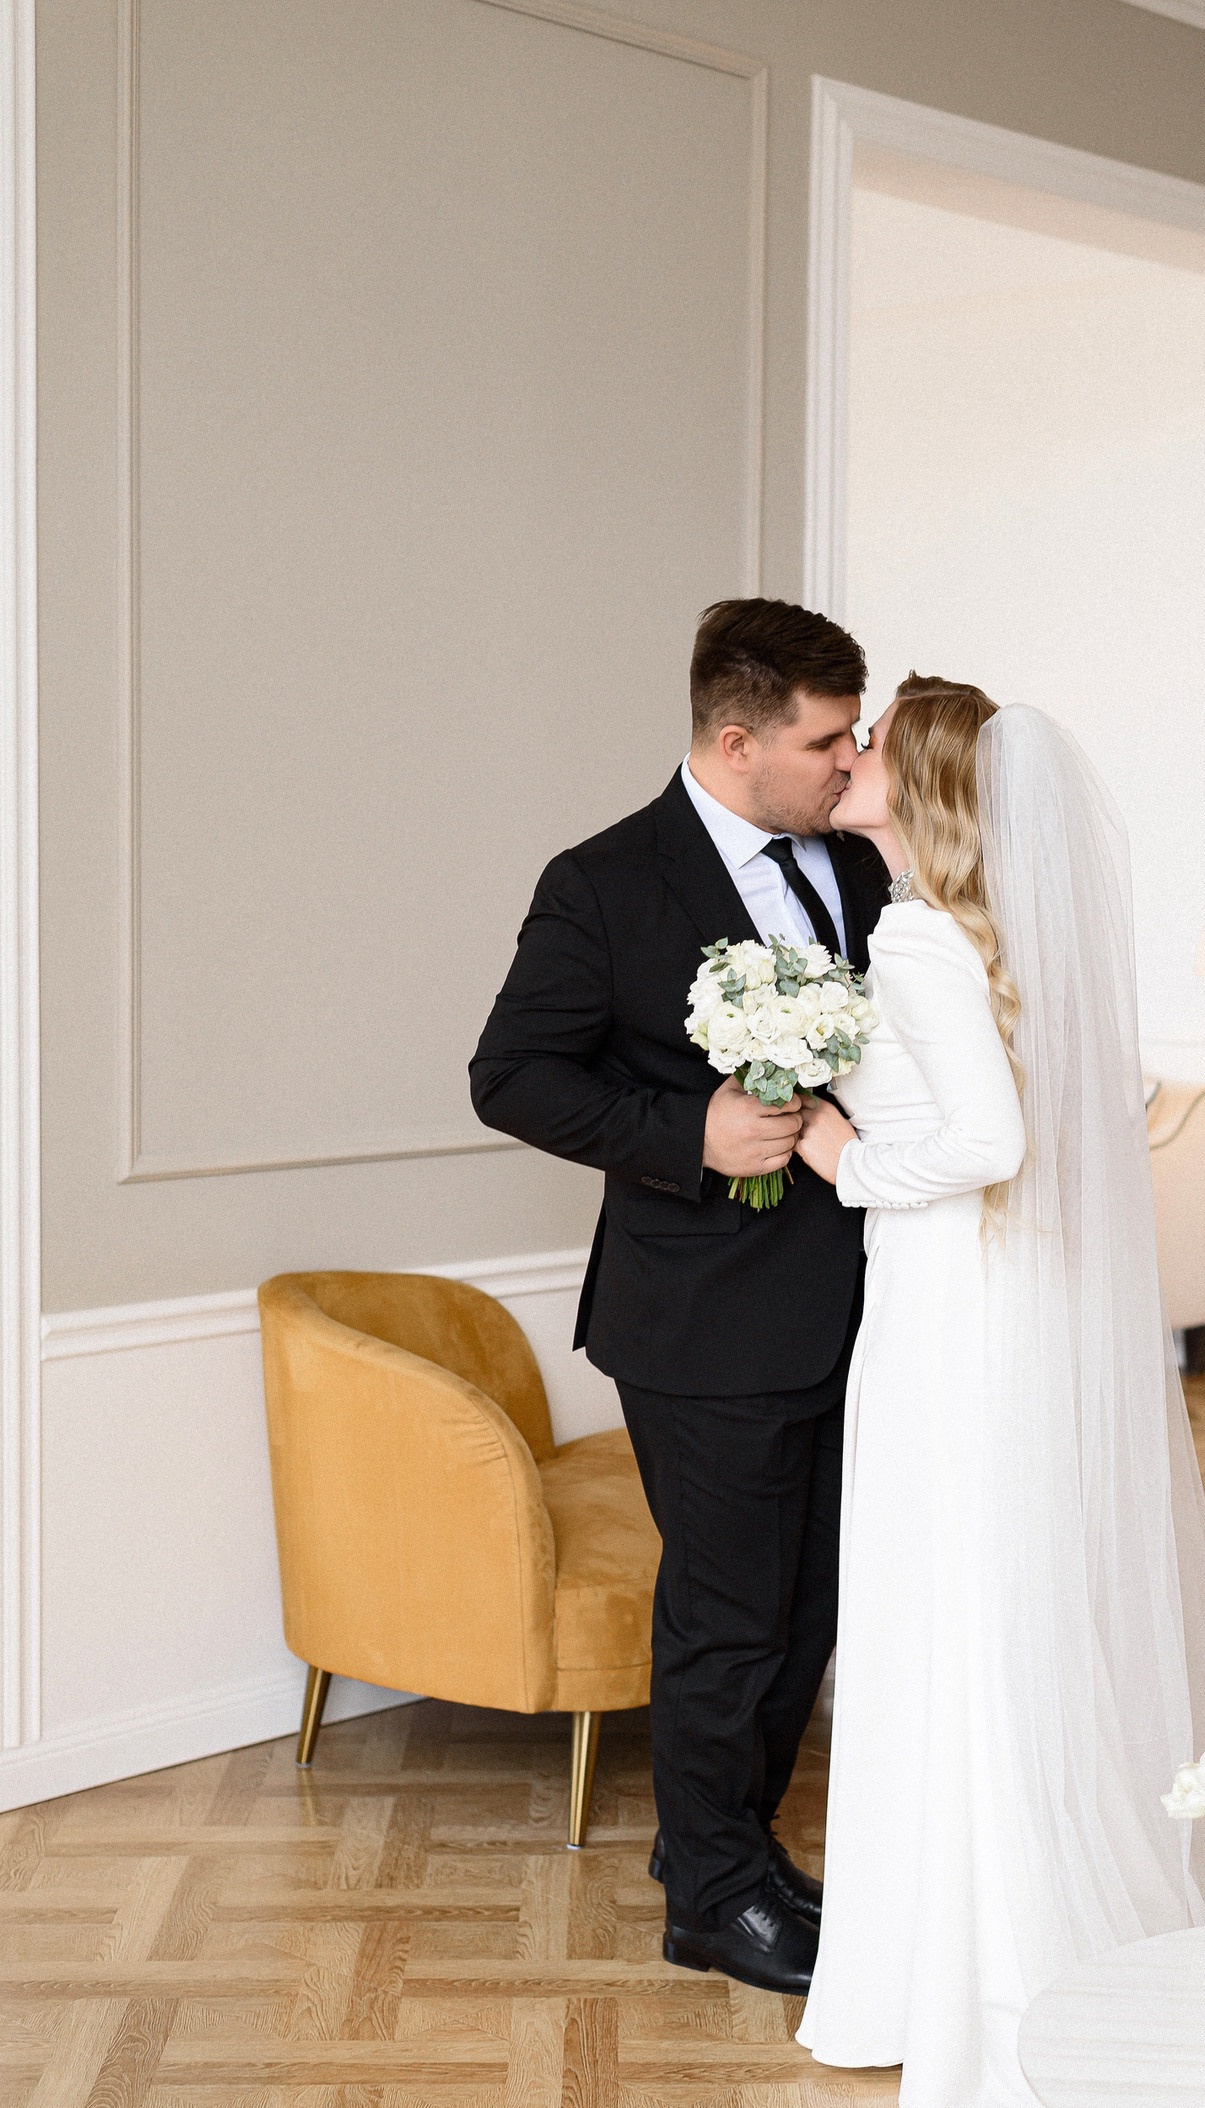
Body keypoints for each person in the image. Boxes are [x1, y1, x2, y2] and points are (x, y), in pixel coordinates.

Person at [790, 675, 1205, 2108]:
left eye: (875, 744)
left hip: (948, 1309)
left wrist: (844, 1161)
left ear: (926, 785)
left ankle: (971, 1976)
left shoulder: (917, 939)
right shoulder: (977, 934)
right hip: (985, 1303)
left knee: (946, 1604)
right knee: (983, 1596)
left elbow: (988, 1141)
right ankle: (969, 1938)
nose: (852, 756)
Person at [469, 598, 891, 1995]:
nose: (849, 761)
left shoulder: (857, 862)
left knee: (809, 1609)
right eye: (825, 741)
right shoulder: (605, 881)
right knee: (729, 1617)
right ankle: (712, 1901)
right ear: (737, 740)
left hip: (856, 1307)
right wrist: (688, 1135)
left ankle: (719, 1846)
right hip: (699, 1320)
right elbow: (511, 1077)